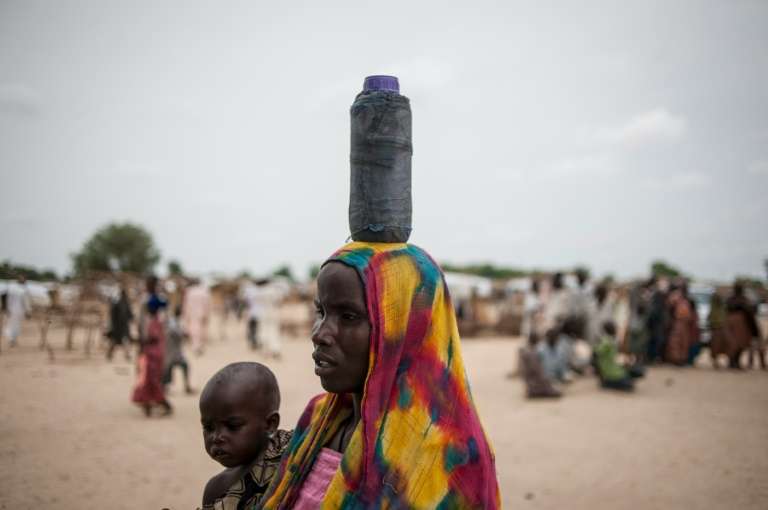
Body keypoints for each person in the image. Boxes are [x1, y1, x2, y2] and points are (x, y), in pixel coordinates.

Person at [261, 243, 500, 509]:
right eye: (321, 312)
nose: (319, 334)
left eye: (348, 316)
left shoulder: (454, 457)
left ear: (405, 330)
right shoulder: (317, 419)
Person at [199, 362, 292, 510]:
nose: (216, 437)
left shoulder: (294, 464)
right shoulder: (216, 491)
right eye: (208, 427)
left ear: (270, 424)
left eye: (232, 426)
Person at [132, 299, 172, 417]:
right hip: (155, 354)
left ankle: (164, 404)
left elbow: (153, 338)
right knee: (148, 380)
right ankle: (148, 406)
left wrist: (140, 341)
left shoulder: (154, 322)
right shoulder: (156, 321)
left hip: (152, 355)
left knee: (151, 380)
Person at [724, 283, 761, 370]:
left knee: (740, 344)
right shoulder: (741, 300)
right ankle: (733, 361)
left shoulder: (734, 300)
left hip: (739, 324)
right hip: (739, 324)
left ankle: (734, 362)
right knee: (737, 344)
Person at [594, 321, 637, 392]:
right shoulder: (607, 342)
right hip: (611, 371)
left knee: (630, 376)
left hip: (612, 369)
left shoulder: (609, 341)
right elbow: (598, 352)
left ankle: (607, 381)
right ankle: (607, 382)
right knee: (630, 381)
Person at [517, 332, 561, 399]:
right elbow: (539, 372)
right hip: (534, 385)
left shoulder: (527, 350)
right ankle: (538, 391)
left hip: (530, 383)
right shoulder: (531, 353)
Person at [163, 305, 193, 394]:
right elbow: (175, 332)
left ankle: (185, 386)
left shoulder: (174, 321)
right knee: (179, 366)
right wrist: (184, 334)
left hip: (172, 351)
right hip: (172, 351)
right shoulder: (173, 322)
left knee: (180, 366)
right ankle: (185, 386)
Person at [665, 284, 696, 366]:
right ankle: (676, 359)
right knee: (675, 342)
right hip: (678, 322)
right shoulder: (676, 297)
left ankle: (682, 359)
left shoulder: (687, 300)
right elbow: (669, 305)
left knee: (684, 342)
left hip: (686, 324)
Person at [183, 278, 211, 356]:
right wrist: (207, 313)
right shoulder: (204, 291)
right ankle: (200, 346)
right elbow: (207, 304)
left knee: (194, 329)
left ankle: (195, 346)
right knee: (202, 329)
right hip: (202, 313)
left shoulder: (189, 291)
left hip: (192, 313)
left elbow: (186, 304)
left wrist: (185, 315)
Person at [106, 284, 133, 361]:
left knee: (125, 341)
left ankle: (127, 355)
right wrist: (112, 326)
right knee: (114, 342)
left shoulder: (126, 303)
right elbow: (112, 316)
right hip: (116, 327)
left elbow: (129, 314)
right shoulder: (116, 303)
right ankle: (109, 354)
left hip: (124, 326)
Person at [3, 275, 31, 348]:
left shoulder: (13, 289)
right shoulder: (21, 290)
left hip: (14, 310)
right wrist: (28, 311)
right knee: (14, 325)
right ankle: (12, 340)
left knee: (13, 325)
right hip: (17, 310)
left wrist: (7, 309)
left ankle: (13, 339)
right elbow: (26, 302)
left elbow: (8, 300)